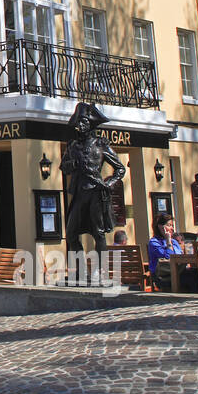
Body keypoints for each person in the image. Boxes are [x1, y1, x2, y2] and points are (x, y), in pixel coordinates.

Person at [61, 103, 126, 284]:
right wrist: (72, 165)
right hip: (79, 192)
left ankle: (99, 270)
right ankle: (81, 271)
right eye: (78, 123)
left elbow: (120, 169)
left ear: (90, 124)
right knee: (72, 233)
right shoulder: (72, 146)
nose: (79, 126)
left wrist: (109, 183)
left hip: (96, 192)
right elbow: (63, 166)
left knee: (98, 233)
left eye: (83, 122)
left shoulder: (100, 144)